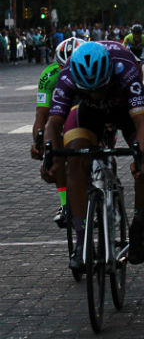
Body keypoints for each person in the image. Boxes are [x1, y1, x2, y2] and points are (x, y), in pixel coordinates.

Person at [43, 41, 144, 270]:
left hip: (126, 110)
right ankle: (82, 241)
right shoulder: (66, 74)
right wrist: (53, 158)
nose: (95, 95)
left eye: (100, 88)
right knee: (74, 159)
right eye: (89, 91)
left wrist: (141, 157)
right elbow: (53, 122)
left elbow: (142, 123)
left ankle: (138, 225)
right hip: (88, 115)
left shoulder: (125, 67)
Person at [31, 37, 85, 227]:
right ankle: (65, 205)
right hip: (64, 111)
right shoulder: (49, 75)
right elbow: (41, 113)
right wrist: (40, 143)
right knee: (58, 155)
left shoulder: (90, 67)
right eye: (63, 69)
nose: (67, 74)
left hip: (89, 105)